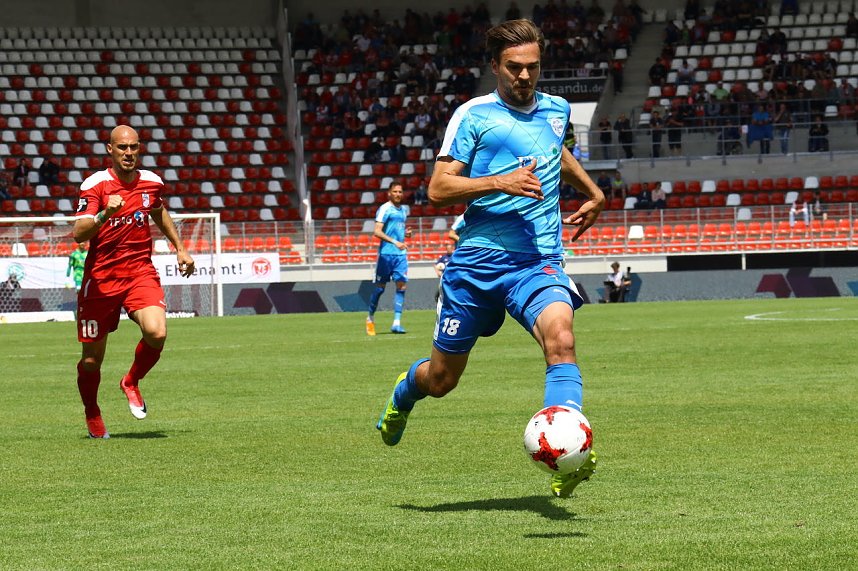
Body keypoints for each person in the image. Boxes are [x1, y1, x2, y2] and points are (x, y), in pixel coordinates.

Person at [375, 19, 605, 499]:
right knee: (441, 381)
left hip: (537, 259)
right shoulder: (473, 115)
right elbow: (439, 188)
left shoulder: (557, 109)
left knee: (561, 338)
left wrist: (593, 190)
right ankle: (403, 394)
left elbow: (553, 152)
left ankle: (568, 454)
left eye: (533, 67)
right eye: (514, 68)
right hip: (478, 262)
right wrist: (498, 181)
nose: (525, 76)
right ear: (495, 67)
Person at [72, 125, 195, 439]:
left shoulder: (151, 182)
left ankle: (131, 381)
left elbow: (158, 211)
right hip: (101, 280)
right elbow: (79, 234)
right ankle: (92, 411)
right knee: (90, 360)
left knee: (157, 332)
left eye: (134, 147)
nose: (128, 153)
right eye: (122, 147)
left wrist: (180, 248)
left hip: (139, 271)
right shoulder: (96, 185)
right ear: (110, 150)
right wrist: (103, 216)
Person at [366, 181, 411, 336]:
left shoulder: (404, 210)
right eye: (395, 191)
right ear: (389, 193)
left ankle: (396, 323)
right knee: (380, 288)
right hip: (386, 255)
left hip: (401, 255)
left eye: (400, 191)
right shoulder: (385, 208)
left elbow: (398, 231)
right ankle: (370, 318)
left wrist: (406, 234)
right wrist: (395, 242)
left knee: (401, 286)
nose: (398, 194)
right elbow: (377, 231)